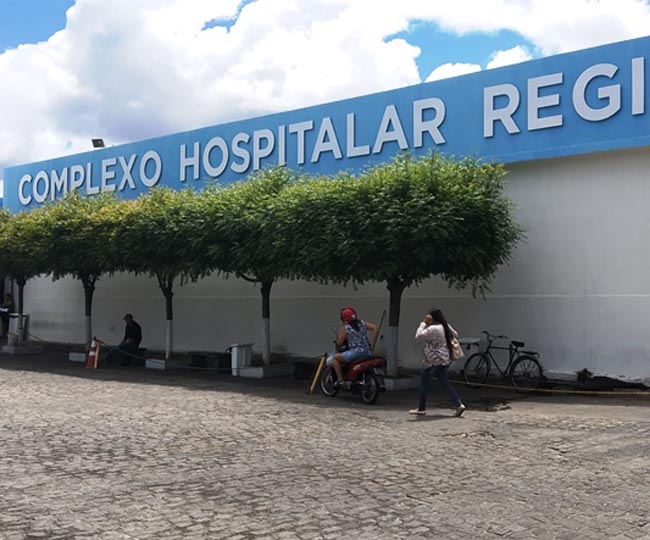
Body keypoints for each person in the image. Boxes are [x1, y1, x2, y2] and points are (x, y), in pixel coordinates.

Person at [410, 308, 466, 417]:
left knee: (424, 383)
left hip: (432, 360)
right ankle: (459, 404)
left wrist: (423, 323)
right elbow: (456, 334)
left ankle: (421, 408)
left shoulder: (433, 329)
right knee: (444, 382)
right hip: (445, 359)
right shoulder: (445, 326)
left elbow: (418, 335)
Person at [326, 307, 377, 388]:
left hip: (355, 353)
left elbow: (339, 342)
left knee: (335, 358)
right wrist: (372, 344)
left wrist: (339, 338)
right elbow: (374, 327)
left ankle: (340, 380)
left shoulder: (346, 328)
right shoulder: (362, 323)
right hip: (367, 351)